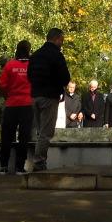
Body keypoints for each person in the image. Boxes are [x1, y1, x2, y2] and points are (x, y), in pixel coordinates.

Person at [27, 28, 71, 172]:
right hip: (49, 97)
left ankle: (38, 160)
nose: (62, 43)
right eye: (62, 40)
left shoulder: (35, 55)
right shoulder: (56, 55)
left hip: (35, 96)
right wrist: (57, 87)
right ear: (57, 38)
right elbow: (65, 78)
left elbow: (29, 76)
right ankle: (39, 163)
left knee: (40, 132)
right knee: (46, 133)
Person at [0, 40, 33, 174]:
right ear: (29, 50)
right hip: (27, 105)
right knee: (24, 137)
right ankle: (19, 167)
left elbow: (1, 84)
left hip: (11, 105)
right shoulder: (32, 65)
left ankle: (3, 166)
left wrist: (8, 95)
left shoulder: (10, 65)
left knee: (6, 135)